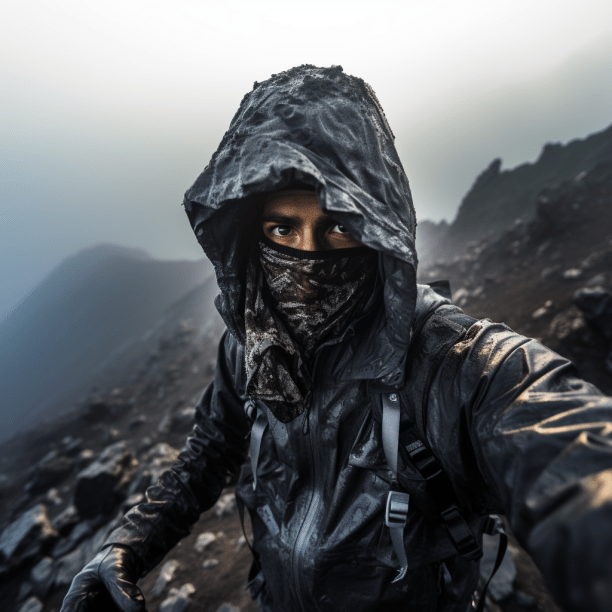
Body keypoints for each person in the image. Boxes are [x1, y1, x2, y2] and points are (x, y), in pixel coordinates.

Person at [61, 65, 612, 612]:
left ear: (377, 232)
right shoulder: (250, 348)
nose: (307, 259)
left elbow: (557, 436)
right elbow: (210, 449)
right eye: (282, 229)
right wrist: (129, 543)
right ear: (251, 235)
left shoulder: (451, 364)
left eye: (339, 227)